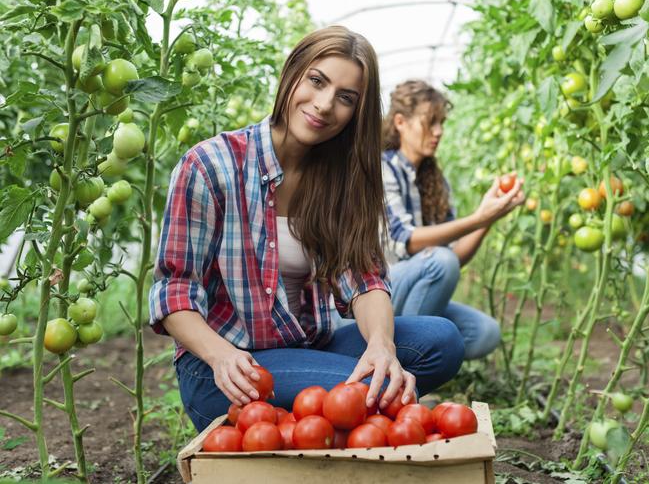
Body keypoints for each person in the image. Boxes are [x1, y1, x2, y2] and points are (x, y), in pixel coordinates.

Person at [149, 28, 464, 433]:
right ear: (293, 74)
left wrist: (381, 347)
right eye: (317, 81)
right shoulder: (211, 166)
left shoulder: (342, 180)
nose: (324, 104)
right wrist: (221, 356)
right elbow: (174, 293)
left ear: (357, 111)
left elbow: (365, 279)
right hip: (227, 367)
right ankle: (322, 404)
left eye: (346, 98)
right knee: (374, 394)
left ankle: (316, 404)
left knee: (442, 341)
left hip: (304, 346)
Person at [382, 80, 524, 361]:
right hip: (378, 293)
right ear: (400, 122)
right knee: (440, 260)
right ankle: (404, 374)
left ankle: (408, 358)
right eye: (430, 123)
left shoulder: (435, 181)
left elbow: (454, 258)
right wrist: (477, 218)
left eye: (442, 123)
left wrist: (488, 219)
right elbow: (405, 240)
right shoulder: (381, 168)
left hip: (415, 293)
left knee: (484, 331)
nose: (438, 132)